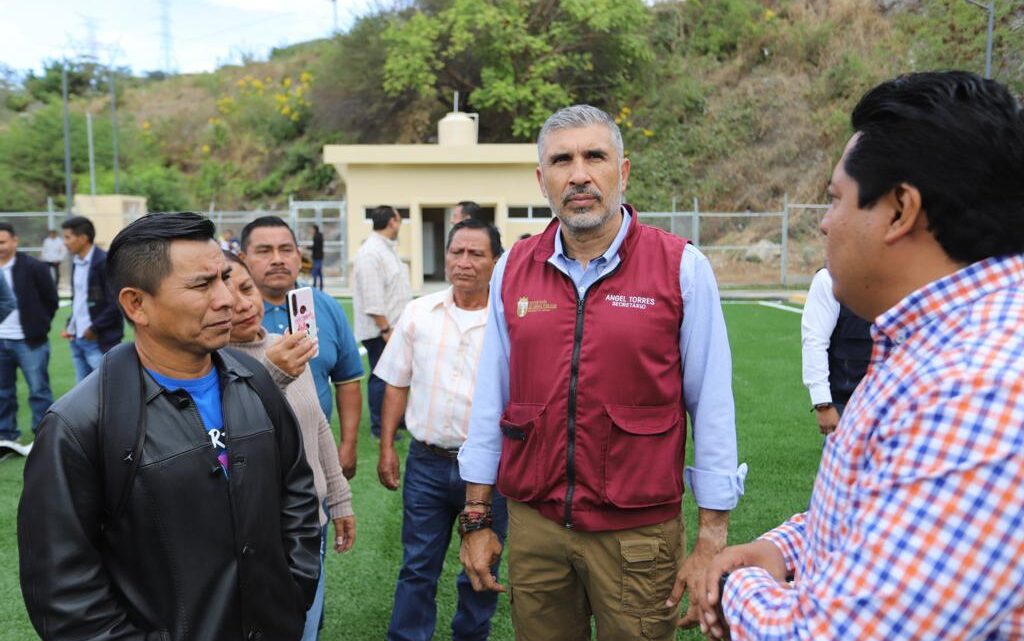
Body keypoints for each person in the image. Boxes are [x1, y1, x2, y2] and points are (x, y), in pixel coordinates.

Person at [696, 71, 1024, 641]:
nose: (825, 222)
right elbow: (880, 511)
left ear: (899, 210)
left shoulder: (977, 385)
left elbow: (835, 633)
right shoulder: (934, 344)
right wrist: (782, 549)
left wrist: (733, 587)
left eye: (835, 198)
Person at [457, 104, 746, 640]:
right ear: (542, 179)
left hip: (637, 533)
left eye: (595, 156)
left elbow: (712, 405)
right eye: (562, 160)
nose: (580, 174)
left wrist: (711, 536)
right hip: (535, 527)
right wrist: (476, 517)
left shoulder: (681, 267)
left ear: (624, 171)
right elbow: (489, 402)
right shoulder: (513, 269)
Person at [17, 212, 321, 640]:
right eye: (202, 284)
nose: (227, 300)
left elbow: (297, 493)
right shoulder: (79, 425)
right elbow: (63, 594)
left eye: (224, 278)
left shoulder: (253, 380)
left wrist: (292, 592)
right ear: (136, 304)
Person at [376, 219, 508, 641]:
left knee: (481, 567)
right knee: (418, 566)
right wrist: (387, 448)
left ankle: (471, 636)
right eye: (457, 253)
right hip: (427, 463)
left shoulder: (510, 323)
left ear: (496, 261)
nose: (464, 262)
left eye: (476, 254)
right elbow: (396, 381)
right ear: (445, 257)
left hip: (488, 470)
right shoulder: (419, 313)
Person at [223, 249, 355, 641]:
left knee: (305, 629)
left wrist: (339, 498)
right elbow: (226, 431)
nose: (244, 305)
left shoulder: (286, 344)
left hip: (307, 529)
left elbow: (316, 425)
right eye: (228, 300)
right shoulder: (207, 364)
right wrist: (271, 373)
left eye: (247, 288)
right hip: (250, 540)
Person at [240, 215, 364, 477]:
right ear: (242, 259)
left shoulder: (327, 307)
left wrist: (348, 445)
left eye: (286, 250)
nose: (277, 259)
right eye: (264, 251)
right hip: (248, 459)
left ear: (298, 256)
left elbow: (348, 380)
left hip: (314, 454)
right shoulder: (229, 313)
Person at [352, 205, 412, 439]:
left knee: (397, 375)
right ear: (393, 222)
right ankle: (379, 426)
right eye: (399, 220)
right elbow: (372, 297)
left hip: (393, 327)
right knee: (381, 377)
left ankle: (398, 418)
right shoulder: (371, 252)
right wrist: (385, 328)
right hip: (381, 330)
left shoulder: (386, 249)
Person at [0, 222, 58, 443]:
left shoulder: (34, 266)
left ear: (15, 241)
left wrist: (40, 324)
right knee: (2, 392)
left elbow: (50, 300)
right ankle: (6, 436)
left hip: (30, 341)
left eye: (3, 242)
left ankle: (43, 436)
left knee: (39, 390)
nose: (0, 247)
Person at [800, 267, 871, 434]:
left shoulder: (897, 276)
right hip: (845, 403)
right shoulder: (828, 278)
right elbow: (814, 341)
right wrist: (822, 404)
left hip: (892, 402)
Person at [60, 215, 124, 382]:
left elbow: (116, 302)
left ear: (83, 238)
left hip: (99, 340)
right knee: (83, 394)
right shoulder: (77, 261)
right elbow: (79, 298)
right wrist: (71, 323)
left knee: (107, 390)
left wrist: (94, 329)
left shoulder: (105, 262)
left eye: (68, 237)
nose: (64, 242)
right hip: (78, 337)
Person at [310, 224, 325, 290]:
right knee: (319, 272)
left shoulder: (316, 237)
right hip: (320, 256)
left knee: (315, 271)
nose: (311, 231)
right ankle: (320, 286)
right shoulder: (320, 236)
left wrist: (307, 247)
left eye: (312, 229)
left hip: (317, 257)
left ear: (314, 229)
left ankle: (314, 285)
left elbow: (315, 247)